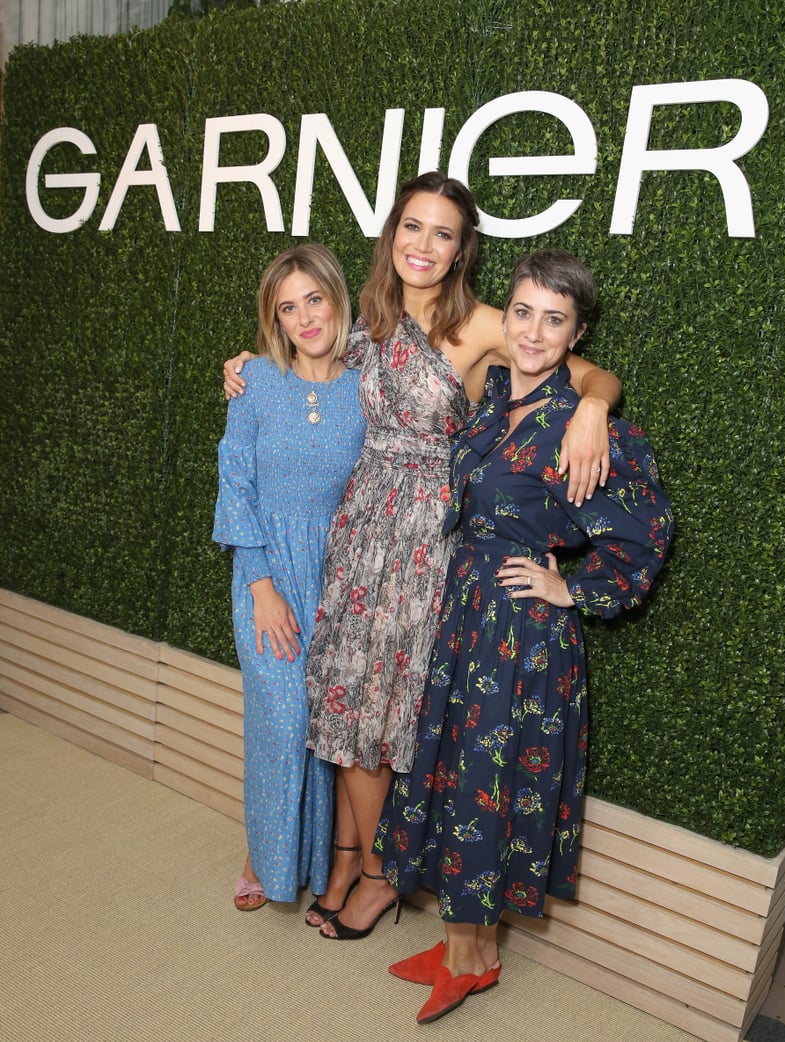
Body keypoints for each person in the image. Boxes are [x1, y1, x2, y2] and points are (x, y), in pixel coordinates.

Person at [222, 172, 623, 938]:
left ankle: (377, 874)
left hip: (417, 538)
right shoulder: (361, 317)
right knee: (339, 709)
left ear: (463, 247)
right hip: (355, 525)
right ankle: (343, 860)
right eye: (413, 226)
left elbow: (585, 366)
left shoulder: (479, 325)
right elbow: (296, 351)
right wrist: (243, 365)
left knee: (374, 719)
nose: (424, 245)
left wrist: (595, 407)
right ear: (393, 232)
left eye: (443, 233)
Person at [376, 249, 674, 1023]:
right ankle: (461, 946)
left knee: (489, 784)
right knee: (451, 777)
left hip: (521, 636)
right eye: (523, 312)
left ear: (576, 334)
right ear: (504, 317)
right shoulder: (496, 389)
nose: (535, 332)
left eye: (555, 319)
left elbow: (646, 534)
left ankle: (475, 961)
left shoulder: (580, 426)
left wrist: (568, 586)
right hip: (461, 615)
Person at [212, 244, 366, 911]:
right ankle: (264, 852)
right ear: (272, 320)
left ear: (335, 298)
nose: (305, 317)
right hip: (267, 572)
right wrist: (261, 587)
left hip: (340, 579)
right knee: (283, 717)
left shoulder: (368, 384)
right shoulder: (254, 384)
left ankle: (308, 858)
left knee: (325, 730)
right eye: (287, 307)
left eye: (314, 299)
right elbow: (236, 485)